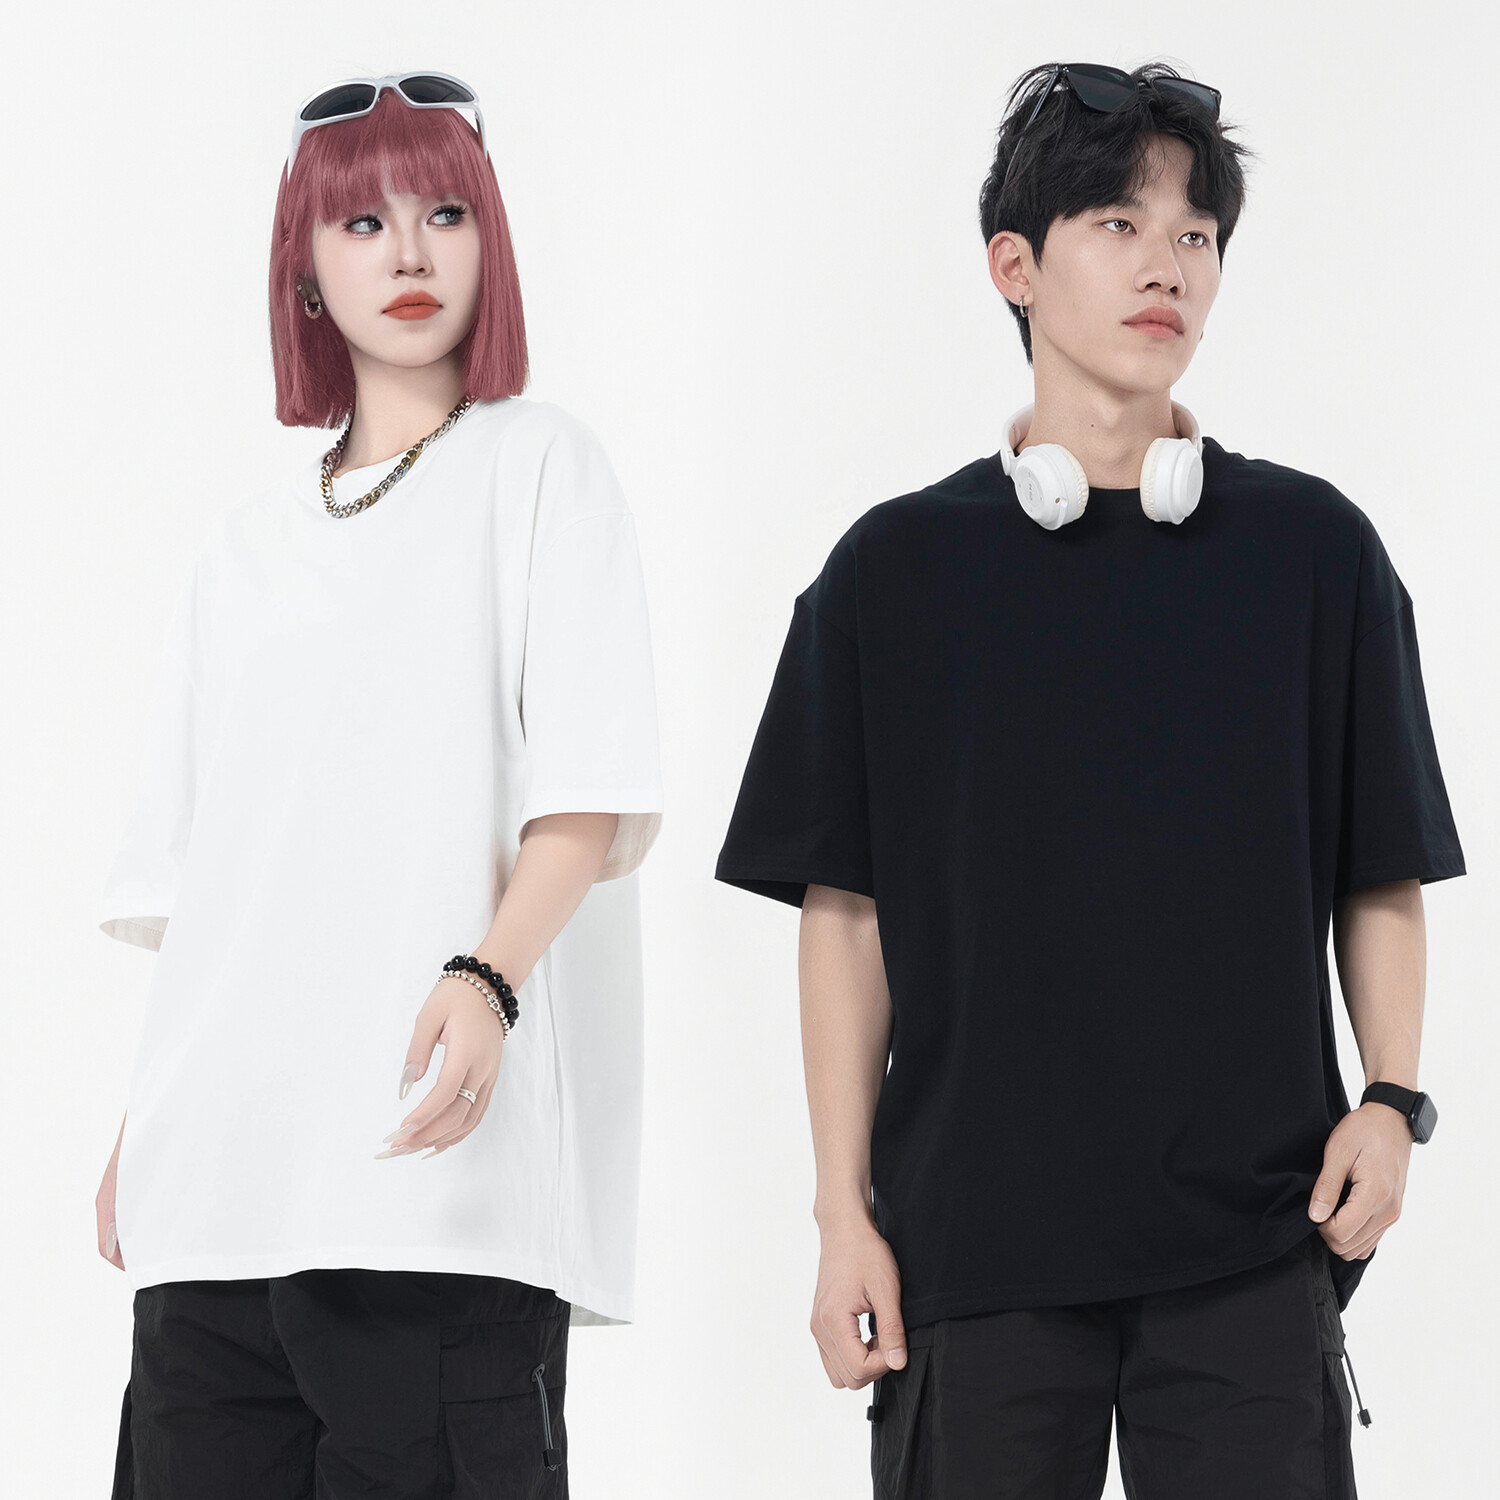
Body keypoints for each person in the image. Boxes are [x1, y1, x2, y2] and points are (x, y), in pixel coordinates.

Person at [714, 59, 1465, 1500]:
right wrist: (842, 1216)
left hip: (1257, 1242)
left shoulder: (1317, 554)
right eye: (1119, 224)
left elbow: (1380, 865)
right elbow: (846, 917)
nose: (1165, 265)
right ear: (1015, 265)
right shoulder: (891, 573)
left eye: (1195, 234)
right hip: (973, 1251)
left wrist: (1391, 1098)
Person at [97, 73, 663, 1499]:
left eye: (445, 213)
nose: (409, 253)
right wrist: (144, 1131)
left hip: (436, 1204)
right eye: (362, 223)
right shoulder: (242, 550)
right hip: (216, 1212)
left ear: (491, 241)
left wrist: (488, 977)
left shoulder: (543, 468)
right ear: (305, 267)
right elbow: (212, 891)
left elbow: (586, 794)